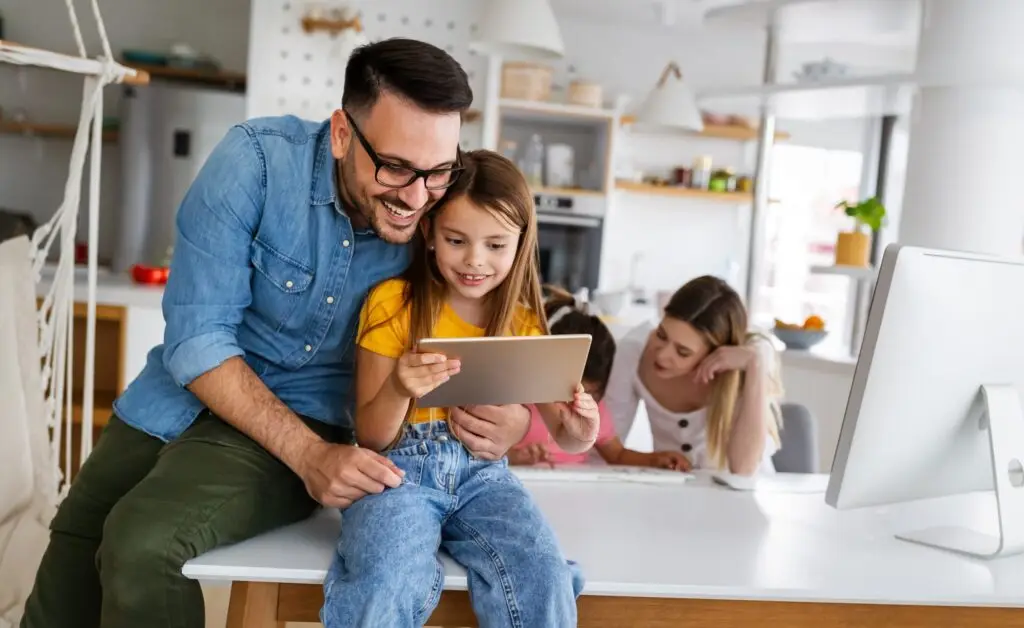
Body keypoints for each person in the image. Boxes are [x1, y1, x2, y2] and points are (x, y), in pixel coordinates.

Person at [20, 39, 536, 628]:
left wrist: (515, 420)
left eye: (437, 171)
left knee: (142, 547)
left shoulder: (442, 211)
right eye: (395, 167)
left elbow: (491, 307)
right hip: (174, 400)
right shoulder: (255, 162)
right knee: (71, 555)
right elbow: (198, 336)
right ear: (343, 133)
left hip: (301, 423)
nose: (416, 198)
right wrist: (310, 456)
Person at [320, 150, 598, 627]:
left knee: (544, 574)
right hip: (397, 475)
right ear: (428, 232)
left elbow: (567, 434)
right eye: (456, 240)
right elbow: (371, 437)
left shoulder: (524, 322)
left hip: (485, 480)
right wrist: (400, 388)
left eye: (495, 245)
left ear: (520, 243)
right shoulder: (393, 304)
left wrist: (582, 428)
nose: (474, 260)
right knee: (387, 579)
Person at [604, 276, 784, 476]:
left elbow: (743, 470)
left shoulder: (746, 363)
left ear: (714, 354)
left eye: (682, 352)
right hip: (673, 493)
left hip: (746, 493)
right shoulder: (634, 352)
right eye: (661, 335)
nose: (662, 354)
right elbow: (607, 443)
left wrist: (755, 366)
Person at [509, 287, 691, 470]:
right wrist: (512, 457)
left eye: (586, 394)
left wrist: (654, 460)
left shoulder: (592, 412)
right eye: (562, 391)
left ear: (601, 391)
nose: (571, 404)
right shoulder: (516, 402)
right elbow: (483, 450)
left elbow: (617, 454)